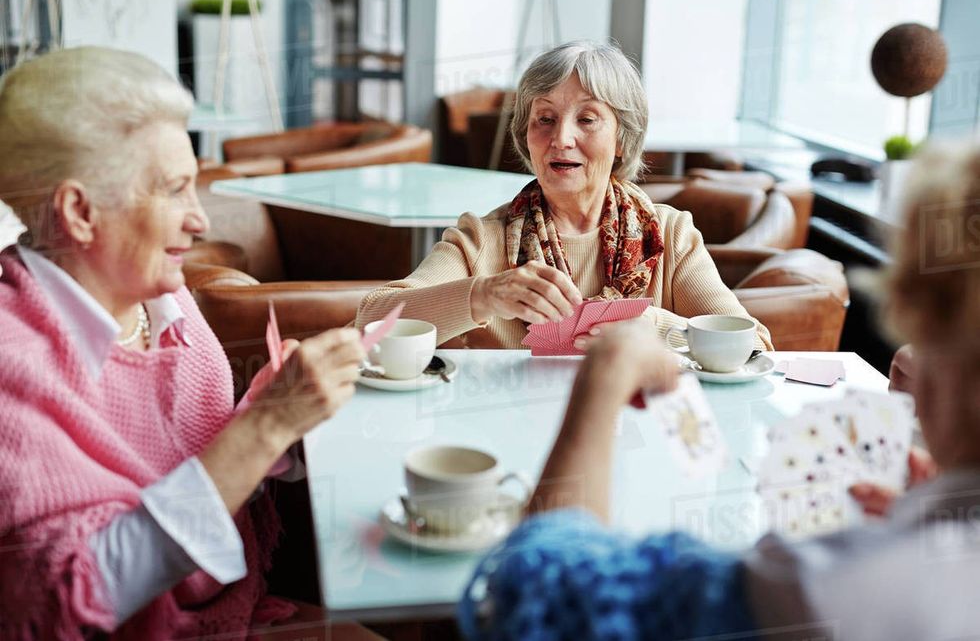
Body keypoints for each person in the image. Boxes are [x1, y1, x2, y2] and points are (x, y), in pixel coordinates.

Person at [457, 143, 980, 640]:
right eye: (543, 118)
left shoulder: (845, 582)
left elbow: (533, 596)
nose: (907, 358)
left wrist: (608, 371)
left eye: (931, 334)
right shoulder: (488, 235)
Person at [0, 47, 380, 640]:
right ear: (78, 211)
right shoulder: (12, 360)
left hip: (234, 612)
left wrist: (285, 419)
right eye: (175, 190)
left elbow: (202, 466)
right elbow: (59, 604)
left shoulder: (165, 303)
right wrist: (264, 428)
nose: (200, 220)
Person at [356, 41, 771, 351]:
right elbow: (370, 323)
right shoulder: (481, 239)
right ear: (526, 137)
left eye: (587, 119)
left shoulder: (670, 234)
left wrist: (659, 329)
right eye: (545, 119)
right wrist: (483, 295)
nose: (561, 139)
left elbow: (754, 346)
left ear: (622, 139)